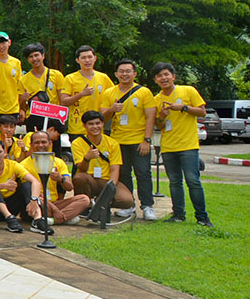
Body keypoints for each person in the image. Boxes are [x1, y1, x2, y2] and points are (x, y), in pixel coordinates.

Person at [150, 62, 210, 226]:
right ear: (155, 80)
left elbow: (202, 111)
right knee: (174, 182)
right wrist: (162, 116)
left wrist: (183, 107)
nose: (163, 78)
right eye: (159, 76)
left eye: (166, 74)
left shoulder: (188, 90)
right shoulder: (156, 100)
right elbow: (159, 125)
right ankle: (178, 214)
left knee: (193, 181)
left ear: (173, 76)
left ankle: (202, 217)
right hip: (168, 146)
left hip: (188, 146)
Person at [101, 59, 156, 221]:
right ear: (116, 74)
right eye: (121, 71)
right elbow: (102, 117)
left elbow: (151, 116)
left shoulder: (144, 92)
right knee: (124, 174)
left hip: (139, 140)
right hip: (118, 140)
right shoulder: (109, 93)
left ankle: (147, 206)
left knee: (143, 173)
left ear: (134, 74)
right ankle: (129, 206)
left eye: (128, 71)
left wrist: (147, 140)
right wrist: (112, 109)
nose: (125, 74)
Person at [71, 110, 135, 223]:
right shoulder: (77, 143)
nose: (95, 127)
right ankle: (86, 206)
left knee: (127, 200)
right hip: (89, 179)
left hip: (106, 180)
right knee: (79, 178)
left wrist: (110, 189)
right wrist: (87, 158)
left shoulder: (112, 143)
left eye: (98, 123)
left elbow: (115, 169)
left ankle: (100, 204)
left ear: (102, 124)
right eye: (91, 124)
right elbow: (81, 169)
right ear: (84, 125)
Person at [21, 130, 90, 225]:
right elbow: (31, 193)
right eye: (37, 143)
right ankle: (65, 217)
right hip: (39, 203)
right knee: (37, 200)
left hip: (55, 203)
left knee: (84, 199)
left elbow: (69, 187)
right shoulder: (24, 165)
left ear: (50, 143)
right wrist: (55, 210)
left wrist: (60, 179)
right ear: (31, 144)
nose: (41, 145)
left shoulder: (59, 162)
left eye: (44, 142)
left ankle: (53, 220)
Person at [0, 138, 44, 233]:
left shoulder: (13, 165)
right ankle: (9, 218)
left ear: (4, 153)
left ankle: (38, 220)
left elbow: (35, 182)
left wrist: (34, 200)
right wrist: (4, 185)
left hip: (12, 206)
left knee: (27, 184)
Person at [61, 45, 113, 137]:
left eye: (90, 57)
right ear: (78, 60)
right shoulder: (70, 78)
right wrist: (81, 94)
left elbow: (113, 96)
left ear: (95, 58)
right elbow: (63, 101)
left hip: (97, 127)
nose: (87, 60)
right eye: (83, 58)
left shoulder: (103, 77)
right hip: (77, 128)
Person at [19, 43, 65, 126]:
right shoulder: (23, 80)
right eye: (31, 56)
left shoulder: (56, 75)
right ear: (27, 59)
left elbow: (62, 100)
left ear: (43, 56)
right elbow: (22, 107)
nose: (34, 59)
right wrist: (23, 99)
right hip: (33, 119)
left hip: (53, 116)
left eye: (36, 55)